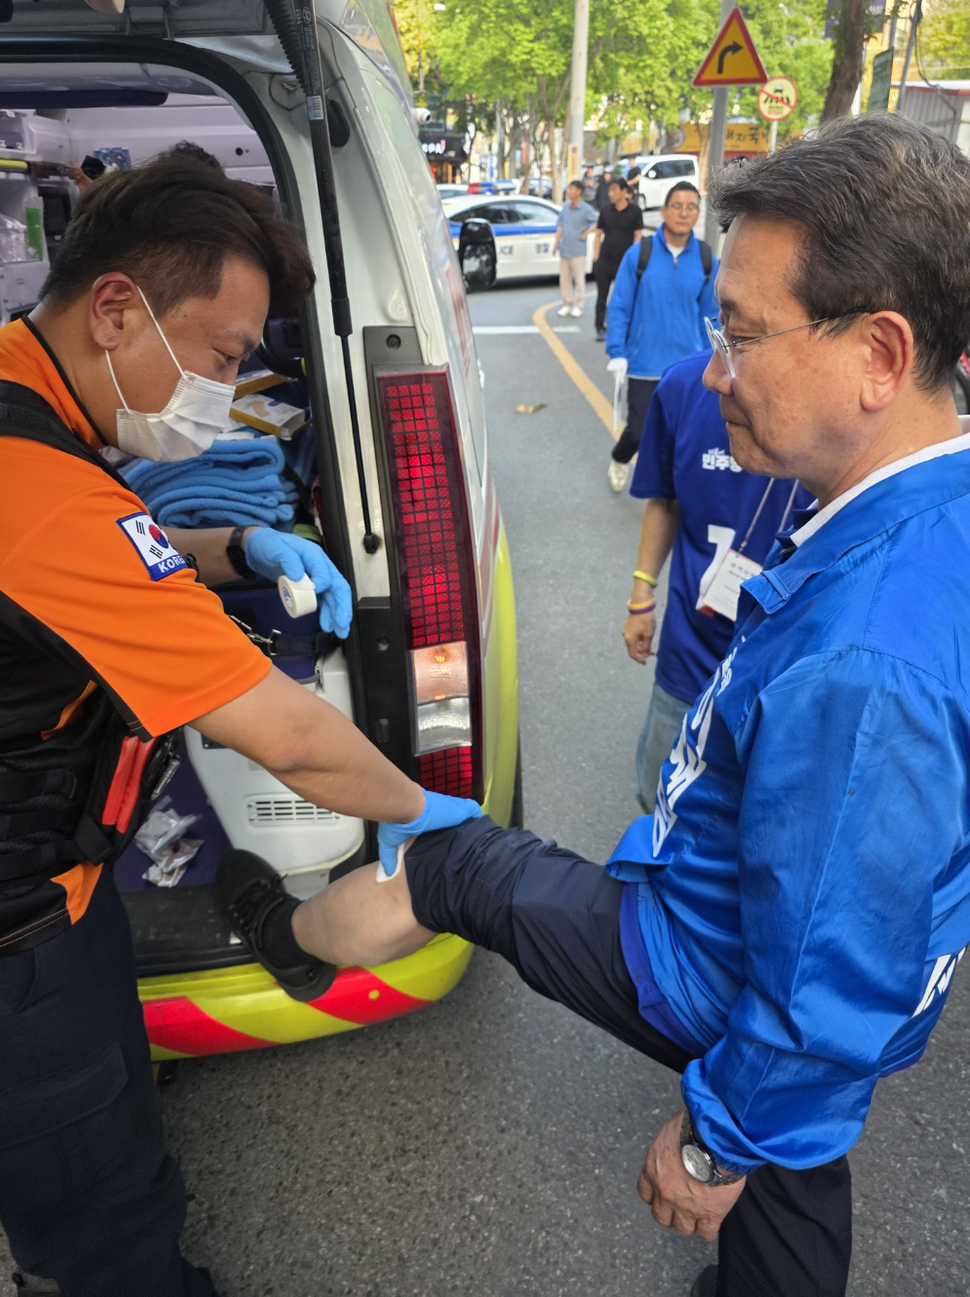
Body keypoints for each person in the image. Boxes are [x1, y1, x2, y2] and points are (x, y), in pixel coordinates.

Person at [220, 113, 970, 1297]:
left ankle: (283, 936)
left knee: (462, 865)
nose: (711, 371)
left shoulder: (862, 663)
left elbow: (825, 979)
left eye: (739, 334)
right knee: (795, 1170)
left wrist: (717, 1139)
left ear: (880, 354)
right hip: (795, 945)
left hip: (701, 957)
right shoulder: (928, 514)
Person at [0, 151, 480, 1297]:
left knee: (106, 1120)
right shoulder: (26, 486)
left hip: (41, 874)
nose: (229, 392)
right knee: (96, 1206)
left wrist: (236, 547)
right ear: (115, 308)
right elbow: (285, 734)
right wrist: (416, 803)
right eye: (224, 356)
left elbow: (76, 557)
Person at [622, 351, 812, 810]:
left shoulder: (826, 402)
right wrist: (641, 595)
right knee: (657, 795)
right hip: (691, 648)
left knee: (756, 814)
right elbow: (663, 500)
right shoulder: (682, 386)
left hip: (786, 662)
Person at [605, 181, 717, 492]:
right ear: (665, 211)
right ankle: (620, 458)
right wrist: (617, 352)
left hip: (688, 366)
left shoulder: (706, 259)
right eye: (677, 206)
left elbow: (712, 316)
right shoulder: (639, 255)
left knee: (683, 432)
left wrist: (714, 358)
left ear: (698, 214)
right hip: (644, 364)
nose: (684, 213)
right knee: (639, 431)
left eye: (691, 207)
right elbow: (620, 306)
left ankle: (671, 491)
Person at [592, 176, 644, 341]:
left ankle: (623, 327)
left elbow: (638, 236)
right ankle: (600, 327)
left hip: (625, 263)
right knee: (602, 296)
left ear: (624, 191)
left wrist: (634, 259)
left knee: (624, 297)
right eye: (609, 190)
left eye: (614, 190)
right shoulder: (605, 211)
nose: (611, 193)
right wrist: (596, 257)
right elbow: (598, 235)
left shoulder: (635, 212)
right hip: (605, 261)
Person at [552, 179, 597, 318]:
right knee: (564, 280)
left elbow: (598, 222)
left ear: (579, 191)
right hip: (565, 249)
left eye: (572, 189)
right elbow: (561, 227)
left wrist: (586, 233)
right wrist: (556, 243)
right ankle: (567, 304)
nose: (569, 192)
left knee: (579, 280)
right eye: (569, 189)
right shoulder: (565, 208)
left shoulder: (586, 209)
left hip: (578, 251)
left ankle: (578, 306)